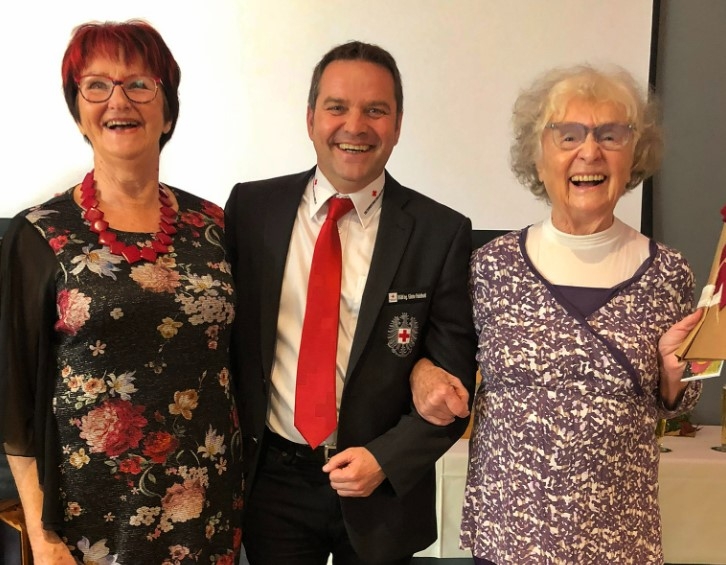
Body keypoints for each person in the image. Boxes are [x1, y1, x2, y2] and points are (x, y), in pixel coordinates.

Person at [414, 64, 704, 564]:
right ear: (538, 154)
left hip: (619, 542)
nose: (589, 151)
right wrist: (422, 371)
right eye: (568, 135)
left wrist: (675, 376)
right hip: (509, 539)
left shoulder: (668, 273)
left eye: (610, 135)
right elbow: (439, 357)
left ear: (635, 154)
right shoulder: (491, 267)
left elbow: (675, 401)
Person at [224, 41, 477, 564]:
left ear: (398, 125)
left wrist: (386, 458)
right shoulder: (250, 209)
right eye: (337, 107)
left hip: (382, 487)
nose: (355, 126)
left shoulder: (440, 232)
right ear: (311, 118)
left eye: (375, 110)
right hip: (273, 482)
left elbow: (453, 388)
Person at [0, 20, 243, 564]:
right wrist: (42, 534)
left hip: (206, 503)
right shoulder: (38, 234)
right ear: (78, 111)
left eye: (139, 84)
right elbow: (14, 400)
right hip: (87, 520)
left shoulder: (215, 225)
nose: (118, 100)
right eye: (96, 85)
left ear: (168, 110)